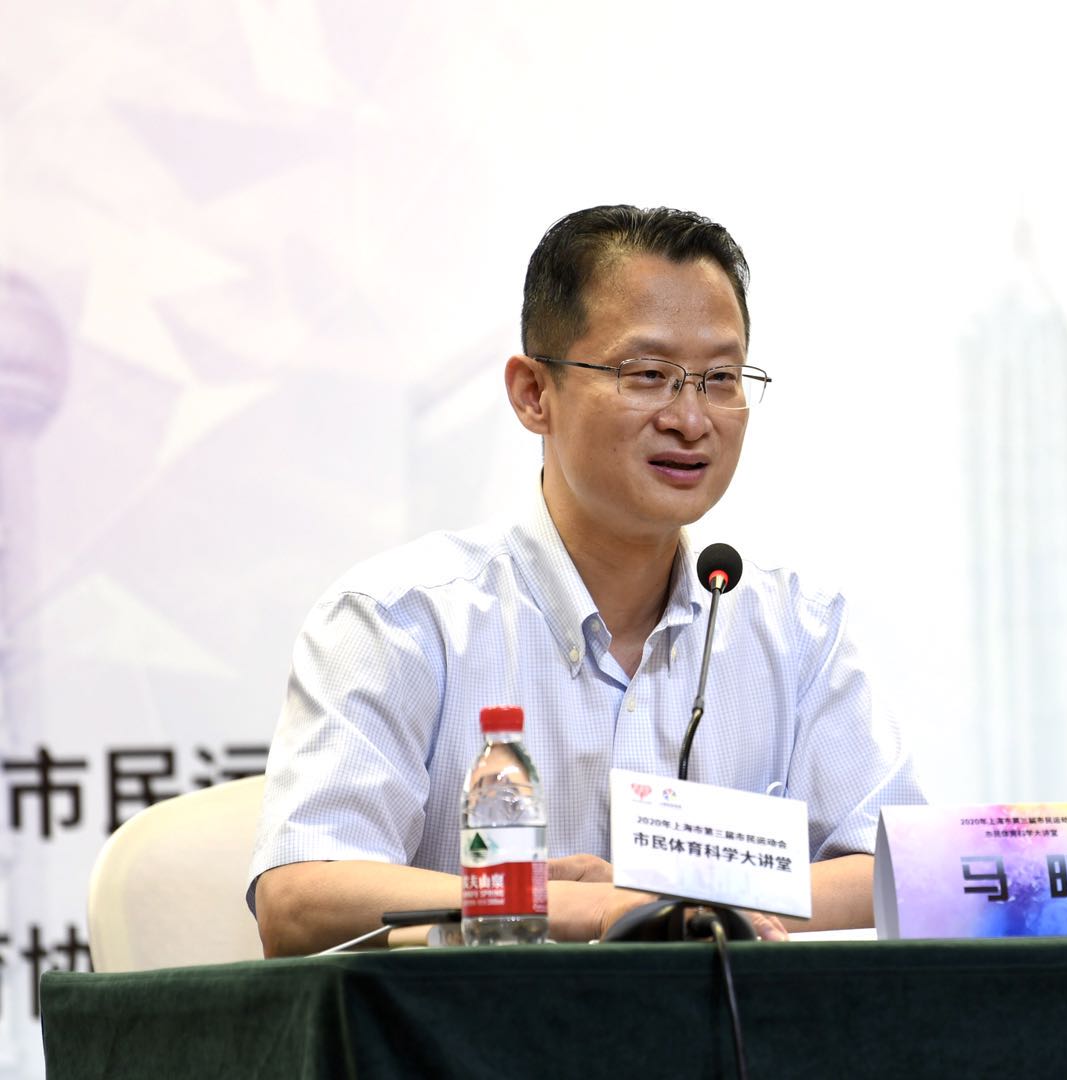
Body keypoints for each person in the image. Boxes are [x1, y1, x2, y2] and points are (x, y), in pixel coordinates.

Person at [249, 205, 926, 954]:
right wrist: (572, 907)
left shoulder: (798, 628)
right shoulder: (400, 619)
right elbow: (300, 899)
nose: (691, 419)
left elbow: (901, 875)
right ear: (533, 393)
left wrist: (683, 907)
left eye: (720, 378)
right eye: (649, 375)